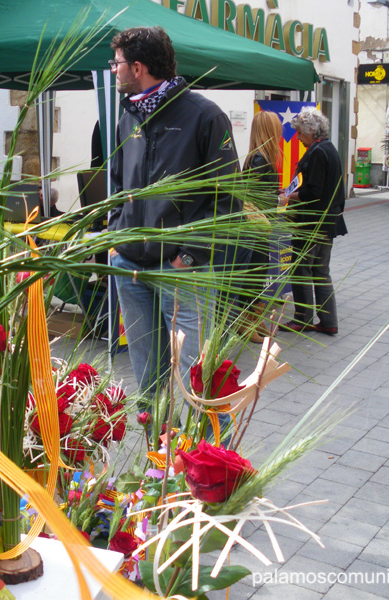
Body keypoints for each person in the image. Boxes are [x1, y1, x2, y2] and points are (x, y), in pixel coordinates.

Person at [107, 26, 240, 409]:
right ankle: (155, 464)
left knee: (198, 387)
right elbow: (117, 186)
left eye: (117, 63)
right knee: (149, 387)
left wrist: (190, 256)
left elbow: (227, 197)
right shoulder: (127, 117)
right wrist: (118, 239)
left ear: (137, 66)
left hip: (184, 273)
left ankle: (210, 463)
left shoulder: (204, 117)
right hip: (131, 270)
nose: (113, 70)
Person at [281, 107, 347, 336]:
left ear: (311, 131)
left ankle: (303, 318)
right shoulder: (329, 148)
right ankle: (328, 321)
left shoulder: (318, 152)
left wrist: (288, 197)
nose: (298, 138)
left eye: (300, 133)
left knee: (301, 269)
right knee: (320, 270)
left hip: (312, 222)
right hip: (327, 221)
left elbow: (313, 192)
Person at [238, 110, 282, 343]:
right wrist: (277, 199)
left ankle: (255, 318)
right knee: (255, 273)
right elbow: (251, 196)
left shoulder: (259, 157)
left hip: (260, 225)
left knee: (259, 270)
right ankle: (247, 322)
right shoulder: (259, 159)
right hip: (256, 227)